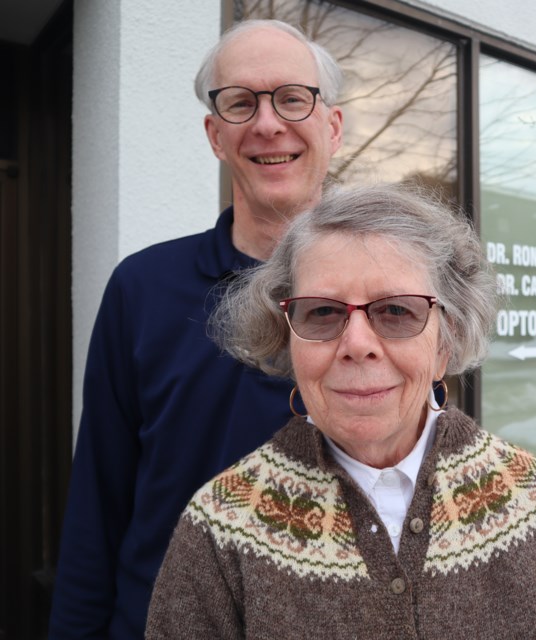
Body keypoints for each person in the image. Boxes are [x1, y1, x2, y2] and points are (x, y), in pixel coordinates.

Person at [145, 184, 536, 639]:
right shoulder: (222, 526)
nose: (357, 345)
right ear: (287, 341)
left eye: (396, 311)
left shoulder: (530, 498)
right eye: (322, 312)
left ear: (445, 343)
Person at [49, 19, 344, 639]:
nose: (268, 124)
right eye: (240, 103)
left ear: (332, 127)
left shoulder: (385, 297)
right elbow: (98, 503)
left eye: (293, 97)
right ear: (215, 135)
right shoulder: (142, 288)